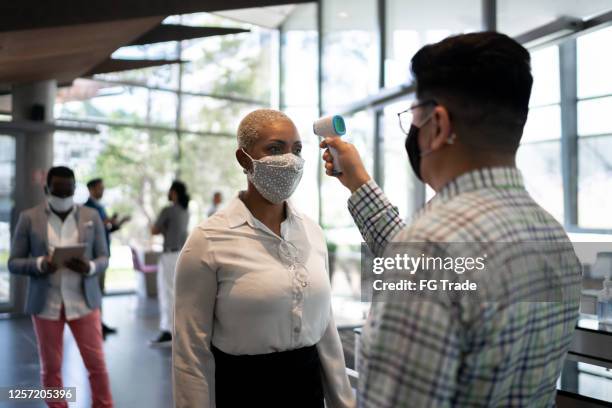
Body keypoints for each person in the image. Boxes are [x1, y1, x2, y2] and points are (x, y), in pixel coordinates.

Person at [320, 32, 582, 407]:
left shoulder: (430, 252)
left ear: (438, 124)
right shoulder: (550, 235)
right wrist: (360, 184)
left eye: (412, 117)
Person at [173, 109, 355, 408]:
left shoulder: (311, 232)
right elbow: (191, 351)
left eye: (296, 149)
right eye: (274, 148)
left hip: (307, 391)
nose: (290, 159)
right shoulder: (208, 240)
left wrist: (343, 402)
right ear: (244, 159)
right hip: (244, 391)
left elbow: (324, 327)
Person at [8, 166, 113, 408]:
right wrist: (40, 263)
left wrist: (89, 268)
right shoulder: (29, 218)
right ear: (47, 189)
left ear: (75, 189)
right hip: (46, 304)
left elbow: (104, 257)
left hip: (84, 302)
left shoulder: (91, 217)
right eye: (58, 191)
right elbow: (13, 262)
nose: (64, 196)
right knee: (51, 369)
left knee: (97, 365)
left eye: (68, 191)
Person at [84, 177, 130, 337]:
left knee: (100, 290)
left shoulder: (100, 208)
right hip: (93, 258)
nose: (102, 191)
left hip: (103, 256)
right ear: (91, 189)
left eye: (103, 188)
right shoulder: (87, 208)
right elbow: (92, 231)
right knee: (94, 291)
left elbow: (105, 231)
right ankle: (93, 325)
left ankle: (98, 323)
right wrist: (106, 222)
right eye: (99, 188)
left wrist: (117, 223)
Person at [149, 180, 189, 347]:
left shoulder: (168, 210)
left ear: (174, 192)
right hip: (182, 254)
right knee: (178, 293)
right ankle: (179, 330)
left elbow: (153, 230)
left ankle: (168, 331)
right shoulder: (185, 211)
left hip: (169, 255)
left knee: (167, 293)